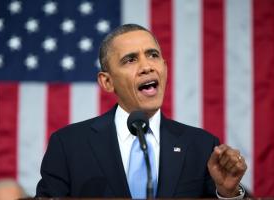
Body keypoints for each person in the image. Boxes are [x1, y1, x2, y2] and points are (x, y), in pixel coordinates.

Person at [36, 24, 247, 198]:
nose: (147, 66)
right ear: (107, 82)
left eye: (152, 55)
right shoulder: (69, 145)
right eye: (130, 60)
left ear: (164, 68)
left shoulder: (201, 146)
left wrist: (228, 193)